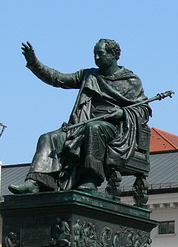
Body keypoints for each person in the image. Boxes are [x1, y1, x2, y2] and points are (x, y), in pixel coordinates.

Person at [9, 40, 151, 194]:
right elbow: (57, 78)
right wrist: (34, 63)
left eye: (100, 54)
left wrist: (122, 113)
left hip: (113, 128)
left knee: (94, 128)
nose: (96, 57)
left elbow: (143, 109)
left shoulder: (130, 81)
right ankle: (36, 181)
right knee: (49, 137)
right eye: (94, 53)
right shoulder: (88, 75)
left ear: (113, 55)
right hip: (82, 124)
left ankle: (90, 179)